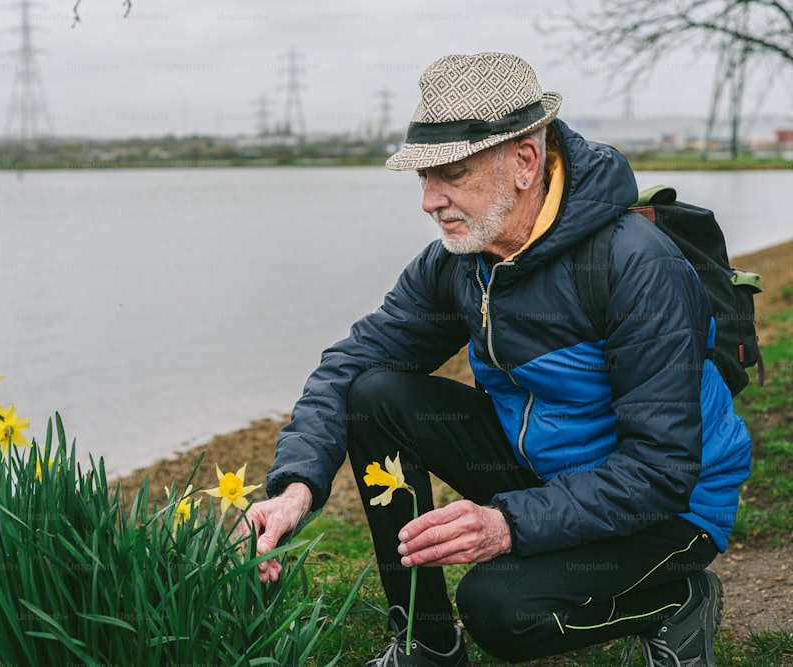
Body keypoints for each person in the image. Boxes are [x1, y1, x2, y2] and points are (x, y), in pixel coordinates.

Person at [245, 52, 751, 666]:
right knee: (373, 395)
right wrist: (296, 486)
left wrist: (507, 523)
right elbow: (352, 361)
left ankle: (678, 597)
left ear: (524, 162)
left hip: (669, 506)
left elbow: (662, 469)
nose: (429, 201)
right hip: (544, 468)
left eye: (451, 173)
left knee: (500, 610)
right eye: (423, 178)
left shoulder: (636, 264)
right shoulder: (460, 260)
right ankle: (425, 640)